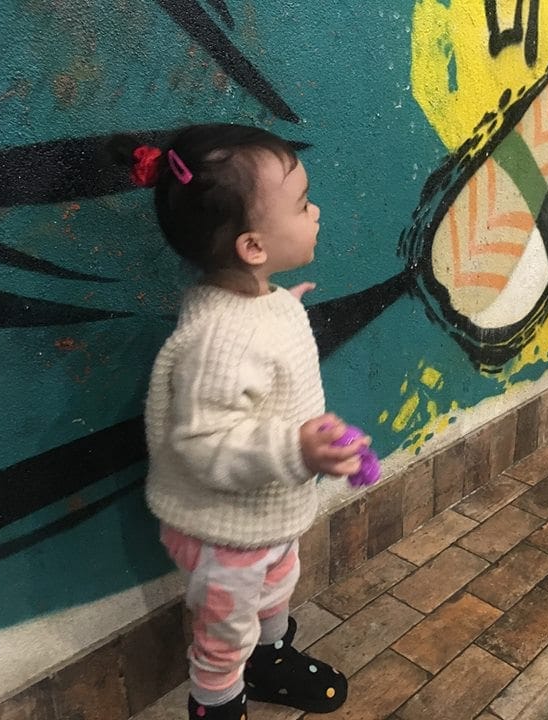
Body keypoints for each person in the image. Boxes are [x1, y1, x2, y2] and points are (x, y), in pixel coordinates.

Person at [109, 124, 366, 719]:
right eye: (303, 204)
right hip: (224, 534)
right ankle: (217, 703)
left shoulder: (258, 300)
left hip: (263, 518)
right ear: (253, 247)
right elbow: (204, 441)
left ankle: (270, 658)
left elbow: (255, 364)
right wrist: (297, 450)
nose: (316, 210)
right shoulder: (219, 336)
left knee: (277, 586)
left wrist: (283, 310)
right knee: (223, 637)